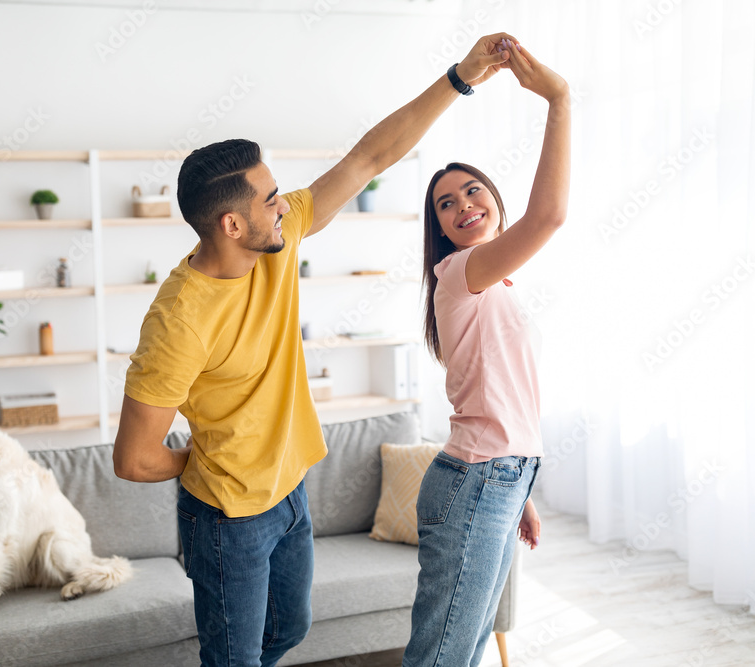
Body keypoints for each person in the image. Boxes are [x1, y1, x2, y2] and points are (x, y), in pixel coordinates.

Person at [113, 32, 517, 667]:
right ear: (232, 225)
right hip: (227, 519)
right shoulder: (177, 322)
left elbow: (369, 157)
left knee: (288, 633)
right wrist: (213, 462)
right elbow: (134, 459)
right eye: (269, 198)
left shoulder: (277, 235)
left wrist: (461, 77)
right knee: (233, 660)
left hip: (291, 492)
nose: (285, 204)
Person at [402, 39, 570, 667]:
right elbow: (549, 215)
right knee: (442, 657)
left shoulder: (494, 283)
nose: (463, 206)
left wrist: (520, 485)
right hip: (476, 480)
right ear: (441, 229)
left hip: (498, 477)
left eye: (473, 193)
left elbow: (494, 393)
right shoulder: (459, 271)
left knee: (464, 650)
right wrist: (558, 99)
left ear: (493, 202)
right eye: (447, 204)